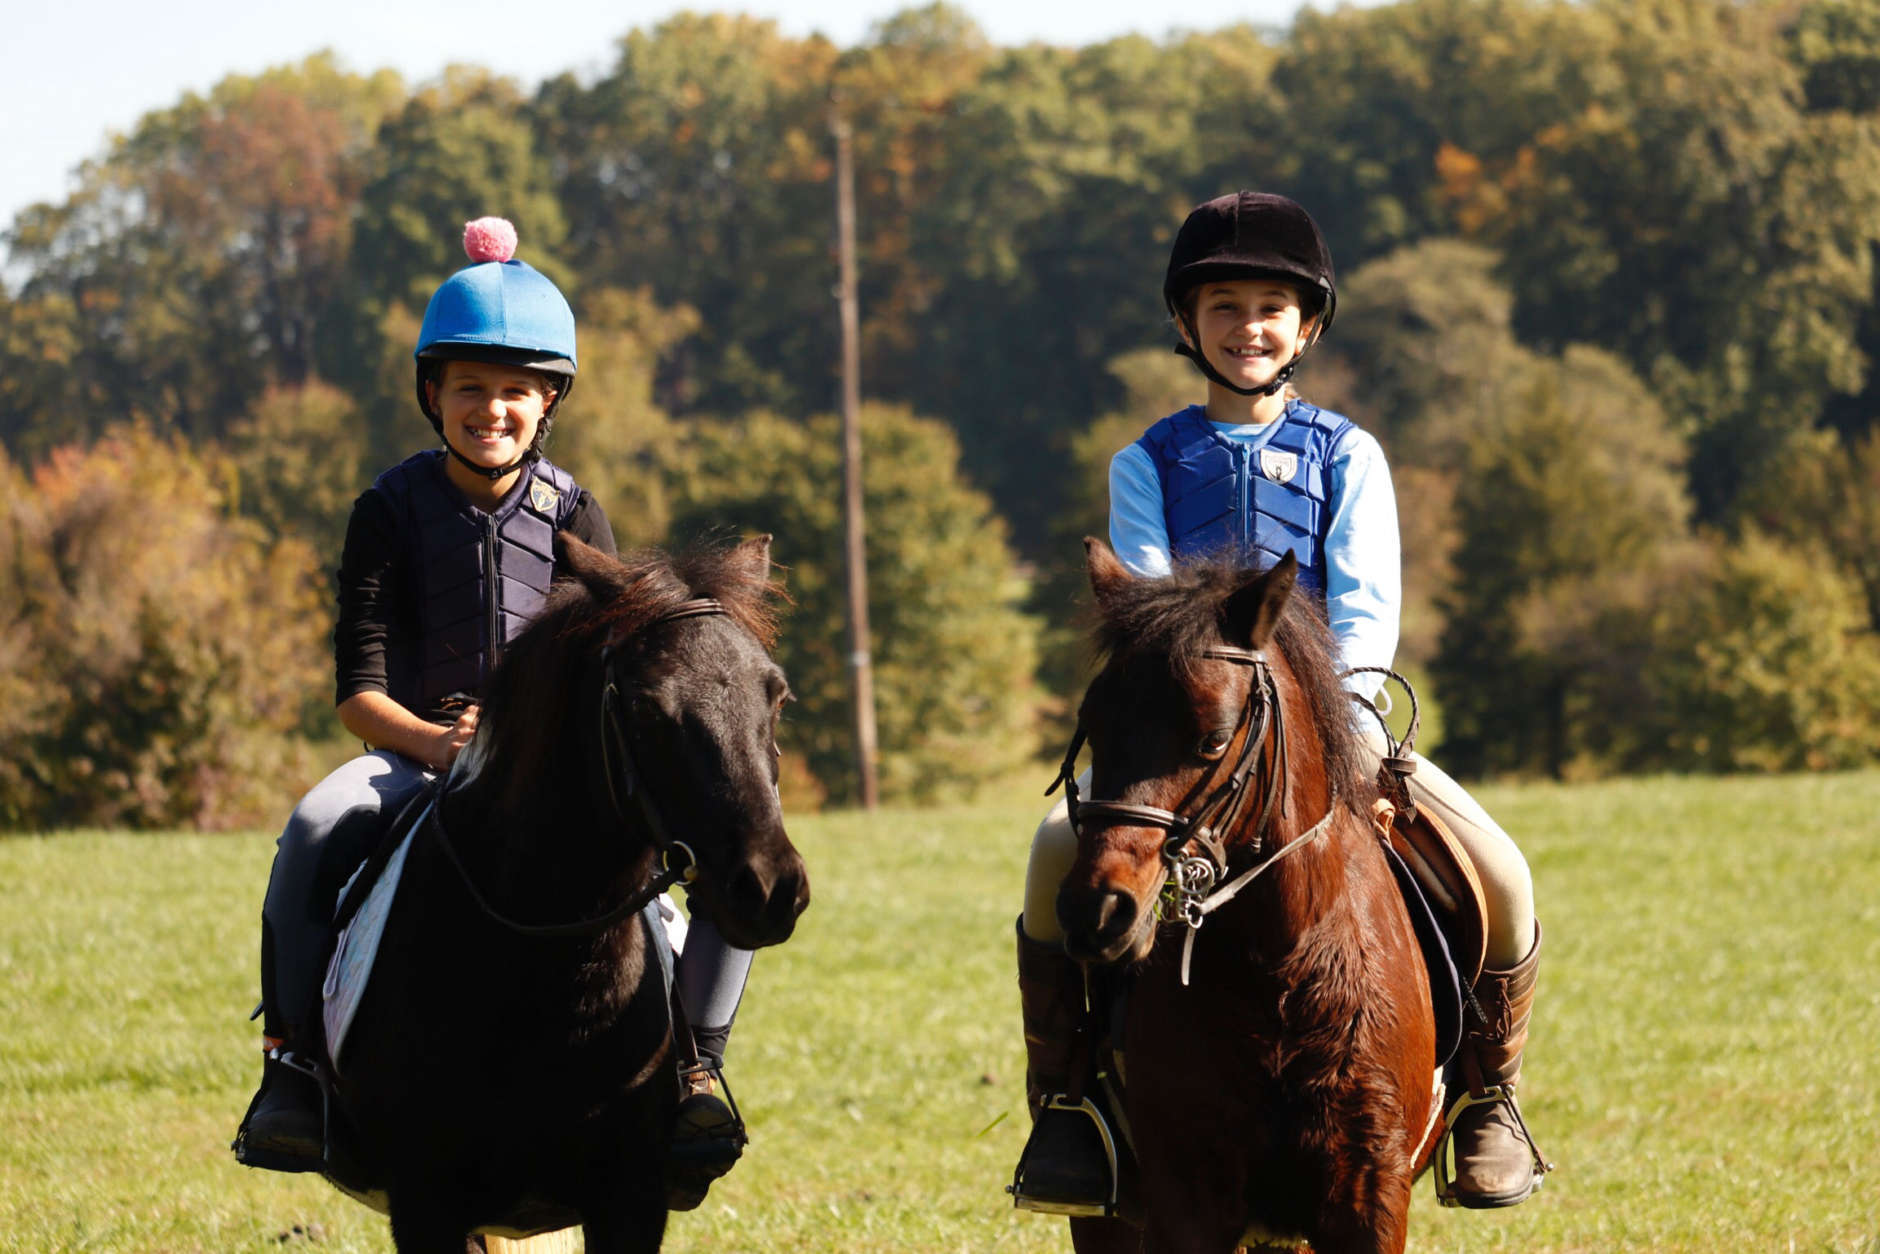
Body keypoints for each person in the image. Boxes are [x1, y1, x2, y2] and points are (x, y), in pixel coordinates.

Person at [1009, 191, 1548, 1213]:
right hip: (1185, 742)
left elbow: (1363, 607)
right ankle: (1068, 1103)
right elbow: (1149, 610)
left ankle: (1488, 1096)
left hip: (1330, 736)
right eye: (1220, 306)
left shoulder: (1349, 456)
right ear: (1184, 325)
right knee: (1051, 856)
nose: (1245, 326)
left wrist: (1330, 730)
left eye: (1268, 306)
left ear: (1306, 325)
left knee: (1501, 874)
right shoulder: (1146, 462)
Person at [234, 218, 753, 1205]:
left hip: (549, 772)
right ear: (433, 394)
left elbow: (613, 665)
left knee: (717, 856)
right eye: (470, 387)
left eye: (516, 390)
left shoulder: (574, 513)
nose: (492, 409)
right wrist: (435, 741)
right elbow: (358, 692)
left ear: (547, 402)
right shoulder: (386, 510)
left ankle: (695, 1071)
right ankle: (293, 1067)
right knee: (311, 825)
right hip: (413, 752)